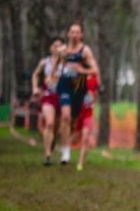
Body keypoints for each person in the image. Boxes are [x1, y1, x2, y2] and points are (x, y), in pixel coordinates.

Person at [57, 23, 99, 166]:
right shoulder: (62, 50)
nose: (74, 35)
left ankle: (66, 139)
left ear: (81, 35)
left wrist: (82, 70)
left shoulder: (85, 51)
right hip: (64, 85)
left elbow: (94, 70)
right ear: (68, 34)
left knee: (73, 119)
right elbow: (57, 63)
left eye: (77, 32)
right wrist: (51, 76)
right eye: (72, 32)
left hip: (78, 86)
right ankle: (65, 150)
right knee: (66, 116)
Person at [31, 37, 66, 165]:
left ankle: (52, 141)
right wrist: (35, 88)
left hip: (62, 96)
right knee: (49, 123)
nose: (57, 48)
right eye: (55, 45)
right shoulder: (45, 62)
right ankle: (47, 155)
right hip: (48, 96)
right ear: (51, 48)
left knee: (57, 127)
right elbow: (35, 75)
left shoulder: (66, 63)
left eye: (60, 45)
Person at [74, 73, 99, 171]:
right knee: (75, 138)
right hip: (78, 114)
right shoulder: (79, 78)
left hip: (89, 115)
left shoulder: (94, 79)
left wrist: (92, 101)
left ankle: (80, 162)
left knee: (85, 138)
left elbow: (96, 94)